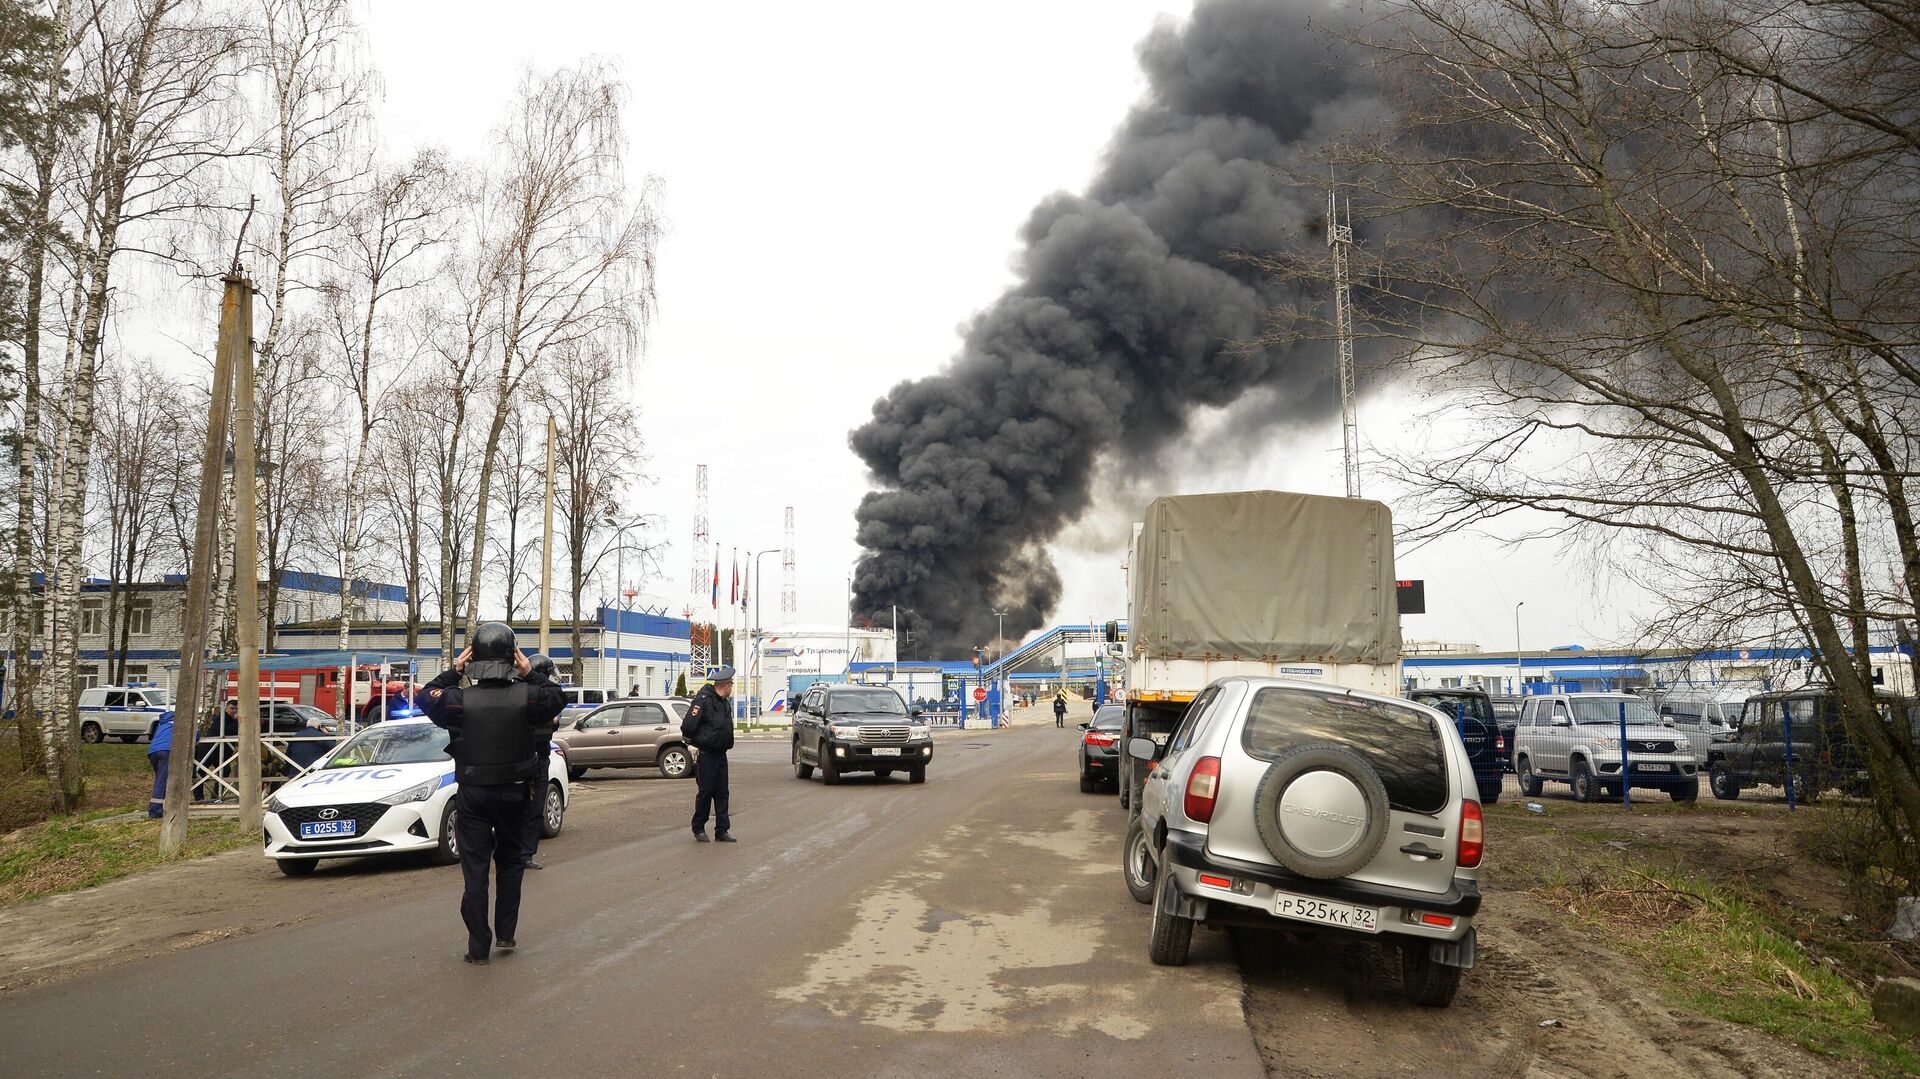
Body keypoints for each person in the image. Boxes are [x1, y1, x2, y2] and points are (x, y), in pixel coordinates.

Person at [417, 621, 564, 965]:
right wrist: (530, 672)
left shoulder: (457, 700)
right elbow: (557, 698)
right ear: (513, 657)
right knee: (511, 863)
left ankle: (478, 946)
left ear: (474, 658)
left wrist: (453, 671)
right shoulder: (528, 696)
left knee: (476, 871)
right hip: (515, 793)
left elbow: (426, 697)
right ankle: (507, 933)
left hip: (473, 795)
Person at [516, 653, 563, 871]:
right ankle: (519, 853)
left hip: (539, 758)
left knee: (535, 809)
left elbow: (553, 721)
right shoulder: (526, 695)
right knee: (522, 809)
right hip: (524, 760)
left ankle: (525, 853)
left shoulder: (540, 696)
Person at [682, 666, 736, 842]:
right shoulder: (703, 700)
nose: (732, 688)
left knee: (722, 793)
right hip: (706, 755)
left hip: (721, 754)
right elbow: (688, 726)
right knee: (705, 792)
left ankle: (722, 830)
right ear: (725, 685)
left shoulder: (724, 702)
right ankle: (698, 828)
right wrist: (692, 744)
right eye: (731, 684)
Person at [146, 710, 177, 819]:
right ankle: (155, 810)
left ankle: (161, 804)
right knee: (162, 780)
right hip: (166, 751)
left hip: (152, 751)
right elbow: (195, 735)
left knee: (160, 779)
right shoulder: (179, 723)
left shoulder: (162, 725)